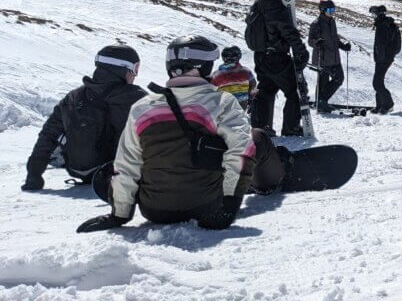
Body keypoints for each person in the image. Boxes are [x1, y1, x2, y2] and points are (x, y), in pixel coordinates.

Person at [76, 35, 288, 233]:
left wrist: (118, 216)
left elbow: (126, 163)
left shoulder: (141, 108)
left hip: (155, 211)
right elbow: (241, 150)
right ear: (204, 66)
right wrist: (229, 207)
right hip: (208, 208)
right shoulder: (221, 102)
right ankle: (272, 176)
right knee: (256, 137)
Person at [23, 45, 147, 191]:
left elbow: (47, 135)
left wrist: (33, 176)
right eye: (134, 69)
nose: (135, 75)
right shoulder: (137, 97)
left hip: (78, 170)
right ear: (121, 68)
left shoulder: (73, 97)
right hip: (114, 172)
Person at [246, 0, 310, 136]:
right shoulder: (276, 8)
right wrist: (301, 52)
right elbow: (289, 33)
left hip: (260, 57)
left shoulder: (257, 5)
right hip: (277, 58)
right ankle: (291, 128)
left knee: (266, 90)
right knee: (294, 91)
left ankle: (260, 128)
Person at [308, 0, 351, 111]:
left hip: (334, 58)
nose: (333, 12)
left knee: (339, 78)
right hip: (322, 59)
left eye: (334, 9)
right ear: (323, 10)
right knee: (323, 83)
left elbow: (335, 39)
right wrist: (316, 42)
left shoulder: (332, 22)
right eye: (330, 10)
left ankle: (321, 101)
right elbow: (310, 41)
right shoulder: (316, 24)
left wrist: (343, 45)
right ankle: (321, 103)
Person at [370, 4, 401, 114]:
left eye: (373, 14)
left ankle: (388, 104)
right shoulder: (385, 24)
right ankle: (380, 106)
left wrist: (381, 57)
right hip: (383, 58)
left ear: (378, 15)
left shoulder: (383, 26)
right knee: (378, 81)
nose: (372, 16)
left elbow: (382, 44)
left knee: (377, 83)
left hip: (383, 59)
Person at [211, 46, 257, 112]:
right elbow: (253, 85)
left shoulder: (216, 75)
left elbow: (211, 91)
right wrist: (251, 100)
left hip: (224, 106)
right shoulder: (246, 71)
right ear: (239, 57)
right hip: (242, 105)